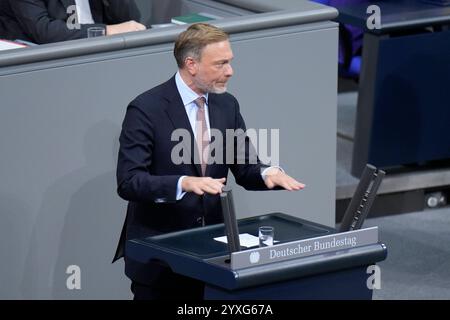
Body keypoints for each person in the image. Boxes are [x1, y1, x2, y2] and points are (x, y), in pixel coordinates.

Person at [114, 23, 305, 300]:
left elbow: (245, 165)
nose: (230, 71)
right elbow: (129, 182)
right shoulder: (146, 109)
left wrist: (268, 173)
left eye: (230, 62)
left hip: (213, 253)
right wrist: (183, 183)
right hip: (160, 255)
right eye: (221, 64)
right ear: (191, 64)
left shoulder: (227, 105)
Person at [0, 0, 146, 44]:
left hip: (102, 53)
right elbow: (44, 30)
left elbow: (131, 19)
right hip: (43, 68)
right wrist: (107, 30)